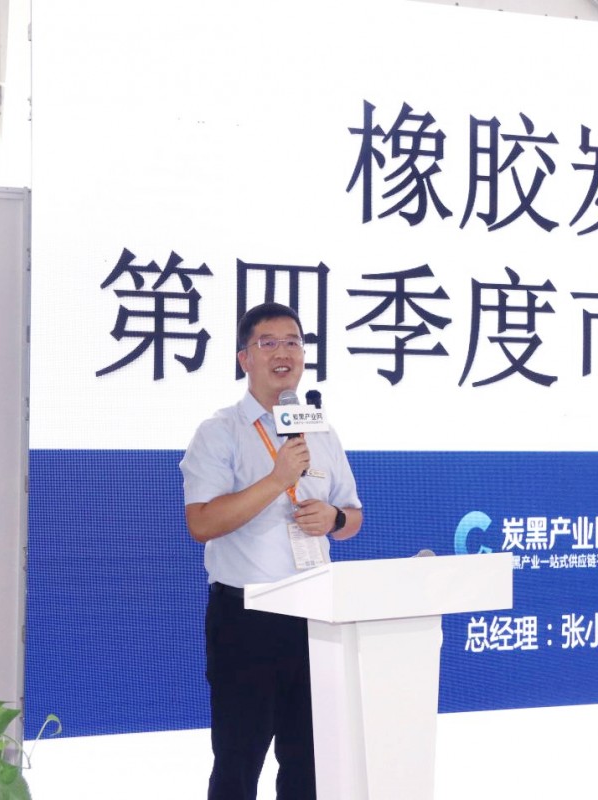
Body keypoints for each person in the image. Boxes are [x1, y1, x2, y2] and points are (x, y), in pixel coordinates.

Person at [180, 301, 362, 800]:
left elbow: (353, 516)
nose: (283, 353)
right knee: (238, 763)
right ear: (245, 358)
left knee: (309, 764)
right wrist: (278, 479)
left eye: (293, 343)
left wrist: (334, 518)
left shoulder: (320, 430)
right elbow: (201, 523)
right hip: (247, 619)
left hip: (315, 617)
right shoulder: (219, 432)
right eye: (269, 343)